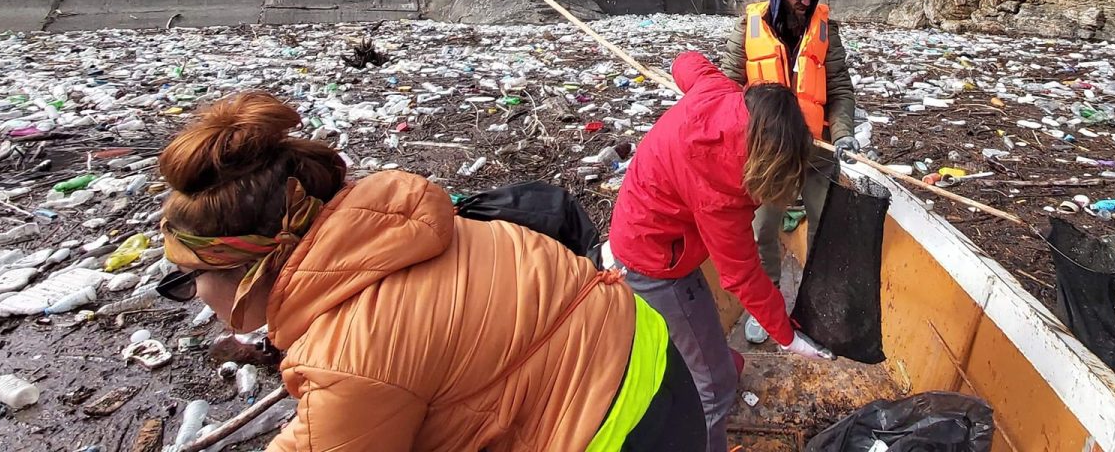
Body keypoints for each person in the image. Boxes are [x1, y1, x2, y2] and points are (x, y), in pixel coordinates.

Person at [154, 91, 704, 452]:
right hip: (656, 361)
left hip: (617, 432)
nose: (195, 296)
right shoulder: (415, 229)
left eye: (188, 277)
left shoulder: (348, 356)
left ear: (252, 267)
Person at [608, 52, 835, 452]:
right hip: (654, 259)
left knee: (705, 341)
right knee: (714, 389)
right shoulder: (721, 192)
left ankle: (711, 359)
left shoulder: (719, 90)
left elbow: (687, 62)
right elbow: (742, 275)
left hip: (648, 227)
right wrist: (788, 338)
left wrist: (678, 70)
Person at [719, 0, 857, 344]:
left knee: (825, 225)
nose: (805, 3)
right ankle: (766, 307)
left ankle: (819, 304)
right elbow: (727, 88)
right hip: (770, 150)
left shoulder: (826, 32)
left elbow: (841, 91)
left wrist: (843, 133)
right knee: (762, 228)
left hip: (816, 149)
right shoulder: (747, 29)